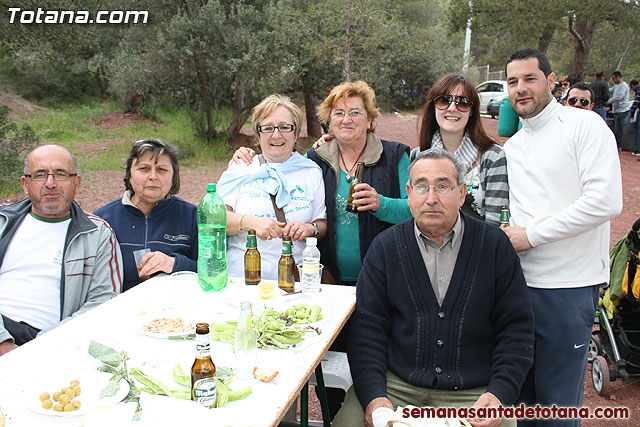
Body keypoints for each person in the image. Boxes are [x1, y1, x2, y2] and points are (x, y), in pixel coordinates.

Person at [332, 148, 534, 427]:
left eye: (443, 186)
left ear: (462, 193)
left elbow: (517, 329)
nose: (431, 198)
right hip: (396, 386)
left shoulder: (495, 246)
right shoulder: (385, 248)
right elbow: (368, 331)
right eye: (421, 186)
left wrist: (499, 394)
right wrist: (374, 396)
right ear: (408, 192)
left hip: (472, 392)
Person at [504, 47, 622, 426]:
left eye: (529, 79)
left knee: (556, 407)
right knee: (521, 402)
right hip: (519, 288)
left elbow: (605, 201)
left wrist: (532, 235)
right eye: (512, 82)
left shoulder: (584, 127)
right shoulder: (515, 146)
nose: (520, 88)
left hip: (568, 289)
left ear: (552, 82)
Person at [0, 145, 122, 355]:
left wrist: (45, 346)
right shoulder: (3, 222)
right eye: (40, 175)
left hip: (53, 340)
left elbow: (103, 302)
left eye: (60, 174)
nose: (50, 183)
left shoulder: (98, 234)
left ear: (76, 182)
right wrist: (3, 343)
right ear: (25, 184)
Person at [217, 94, 327, 280]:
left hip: (295, 280)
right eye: (268, 128)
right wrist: (251, 223)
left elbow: (321, 224)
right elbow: (216, 218)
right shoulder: (241, 167)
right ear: (258, 134)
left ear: (296, 132)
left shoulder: (311, 171)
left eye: (285, 127)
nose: (276, 135)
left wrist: (309, 229)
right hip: (243, 278)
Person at [94, 138, 197, 292]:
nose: (153, 176)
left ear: (174, 176)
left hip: (177, 307)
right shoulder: (103, 220)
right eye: (144, 169)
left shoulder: (191, 216)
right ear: (130, 175)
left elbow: (209, 270)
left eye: (161, 170)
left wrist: (173, 264)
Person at [412, 73, 508, 226]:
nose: (452, 108)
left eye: (462, 103)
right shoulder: (417, 156)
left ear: (471, 111)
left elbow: (495, 224)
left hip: (479, 246)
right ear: (434, 107)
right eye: (444, 100)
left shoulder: (493, 157)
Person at [607, 71, 631, 148]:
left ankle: (619, 145)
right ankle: (617, 144)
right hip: (616, 110)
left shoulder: (623, 86)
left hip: (622, 110)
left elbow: (619, 97)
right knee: (616, 128)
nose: (613, 80)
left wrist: (607, 102)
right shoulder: (616, 86)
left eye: (614, 78)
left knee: (620, 129)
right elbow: (609, 91)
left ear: (618, 77)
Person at [629, 79, 640, 156]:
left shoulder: (639, 90)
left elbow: (636, 102)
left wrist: (632, 112)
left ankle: (637, 150)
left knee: (639, 131)